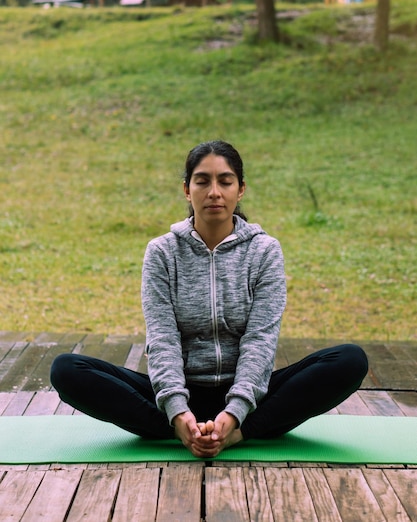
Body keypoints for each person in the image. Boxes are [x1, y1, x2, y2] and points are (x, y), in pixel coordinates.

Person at [51, 140, 368, 458]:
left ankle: (235, 434)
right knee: (66, 370)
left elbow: (260, 341)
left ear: (240, 189)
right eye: (202, 181)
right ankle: (181, 431)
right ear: (187, 190)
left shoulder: (264, 251)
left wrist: (235, 412)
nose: (214, 192)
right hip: (178, 395)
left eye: (225, 181)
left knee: (350, 360)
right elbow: (163, 340)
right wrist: (177, 411)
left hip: (250, 398)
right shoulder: (162, 252)